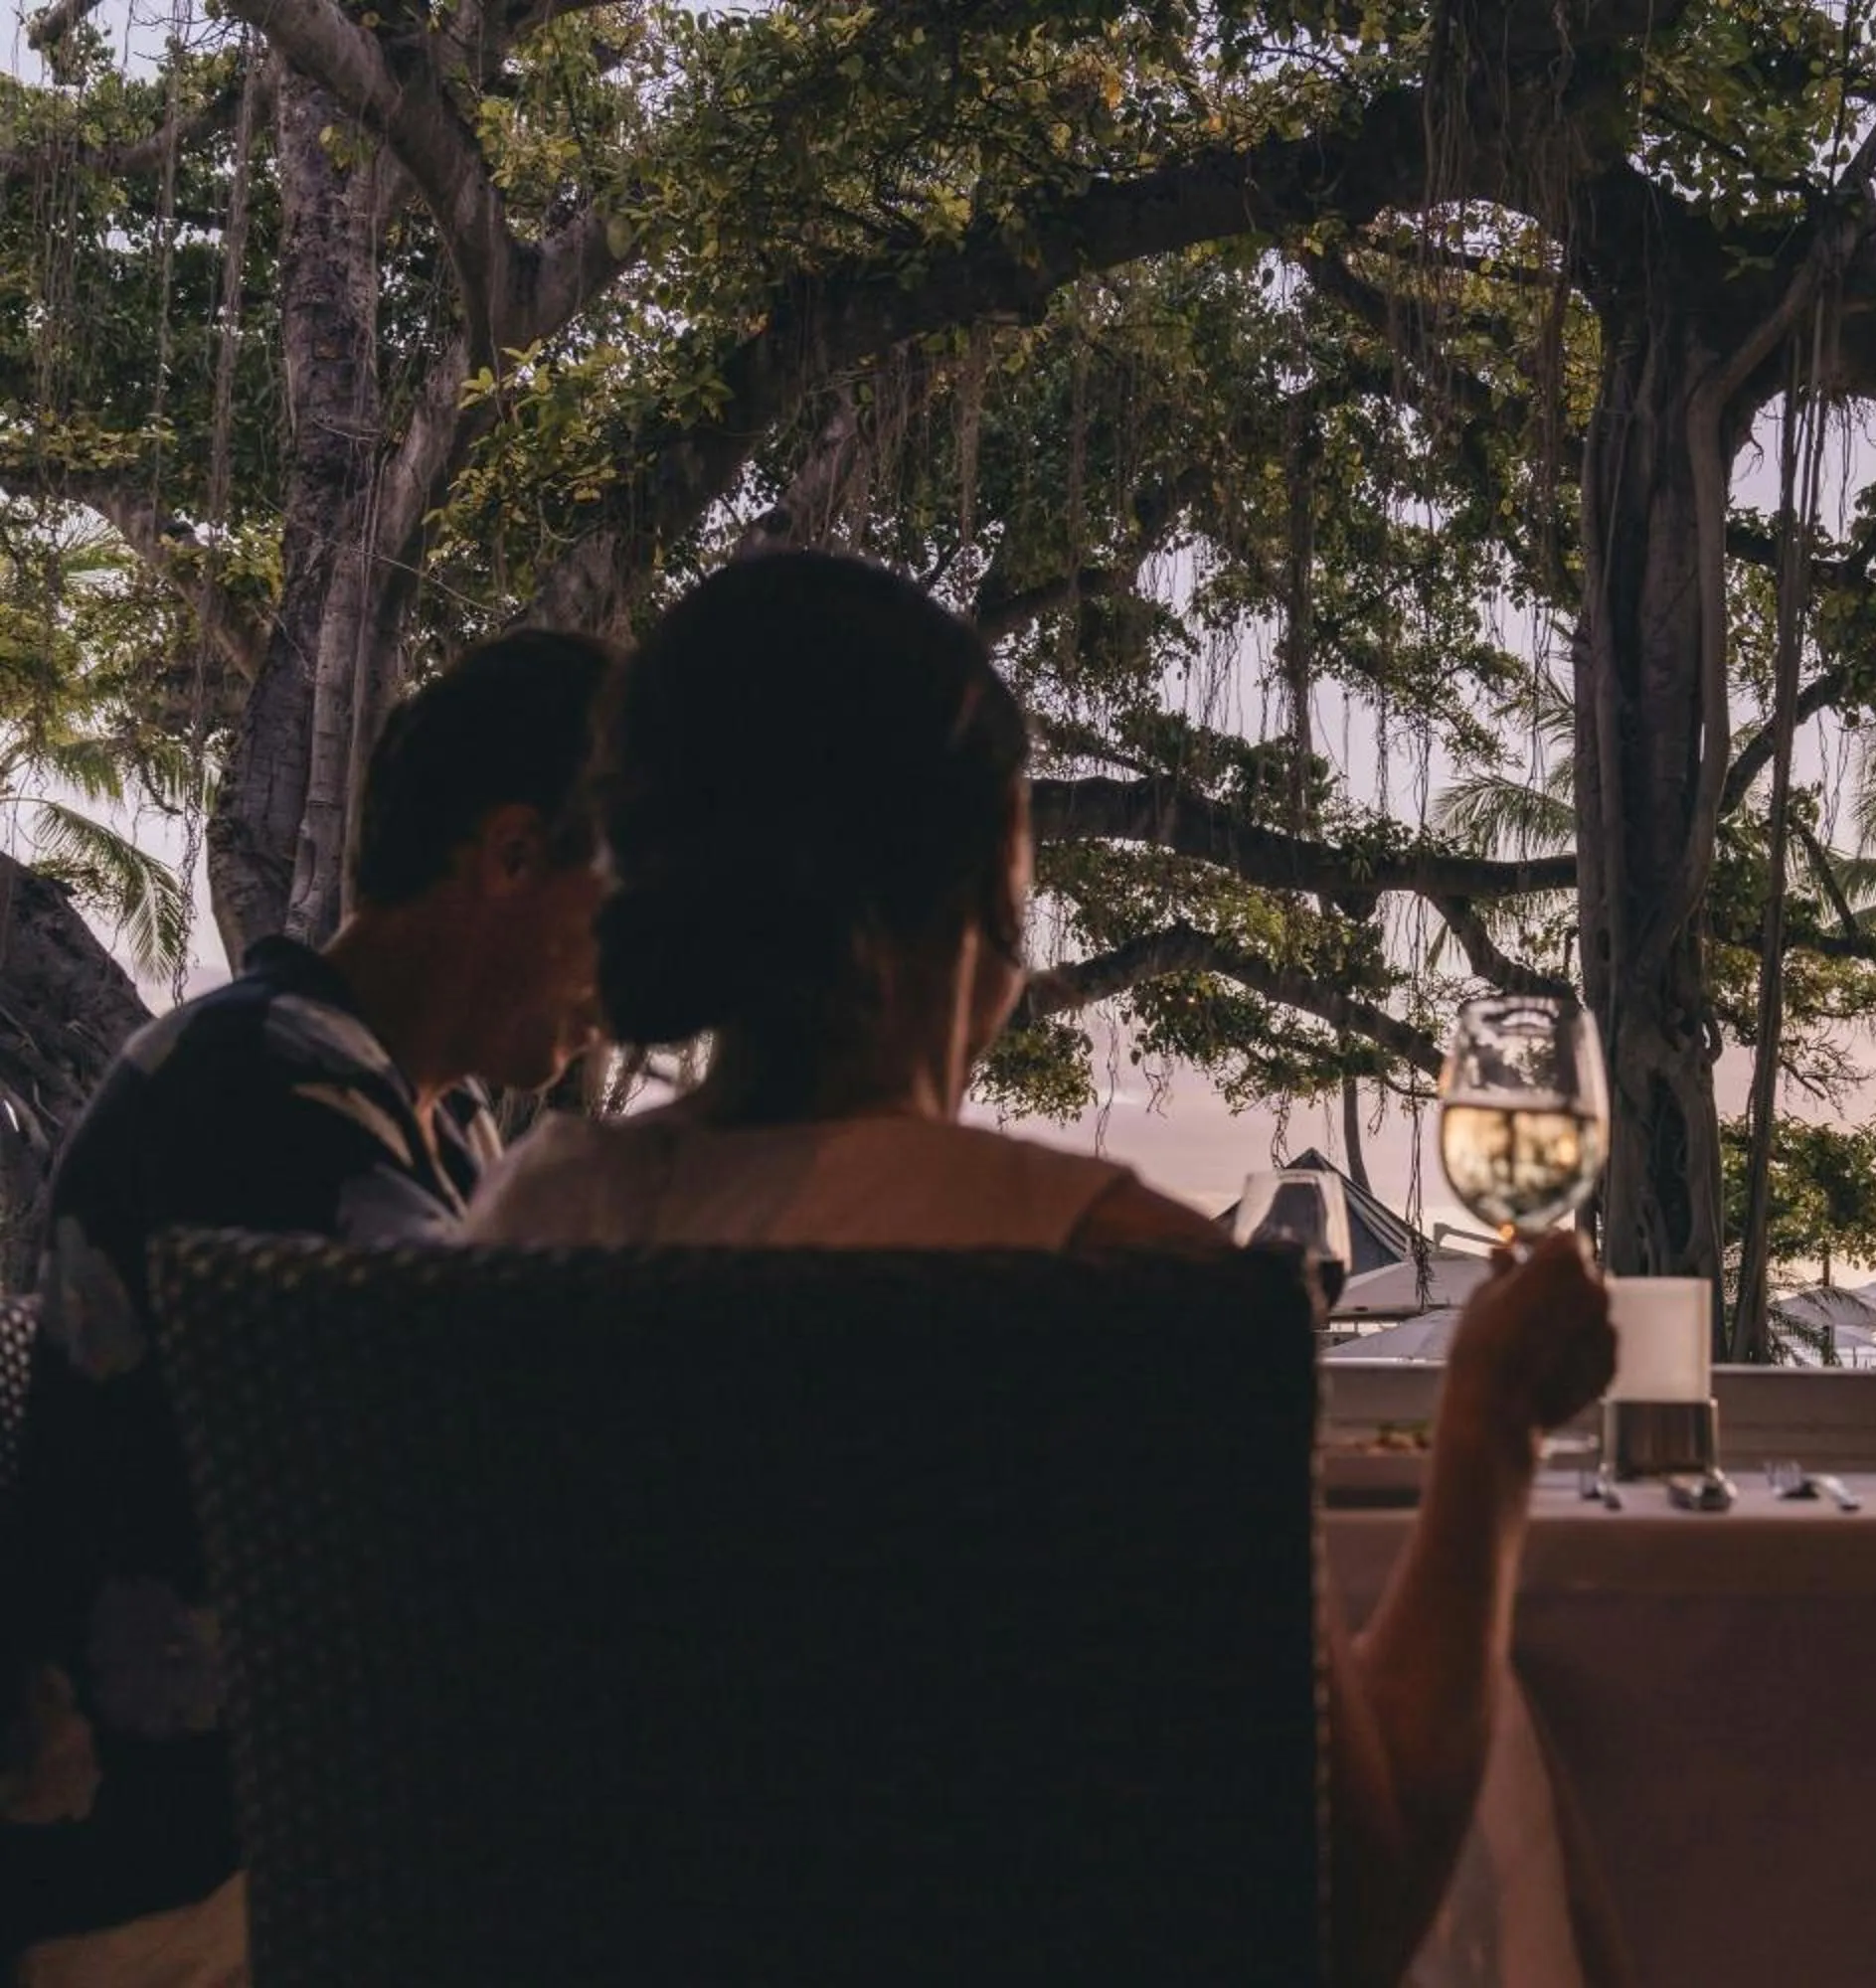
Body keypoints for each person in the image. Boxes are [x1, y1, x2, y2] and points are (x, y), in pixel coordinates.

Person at [465, 553, 1615, 1985]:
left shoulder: (519, 1235)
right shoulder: (1127, 1286)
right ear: (978, 890)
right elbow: (1343, 1915)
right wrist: (1494, 1421)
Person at [2, 631, 613, 1984]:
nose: (619, 993)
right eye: (613, 916)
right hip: (185, 1885)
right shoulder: (267, 1090)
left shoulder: (416, 1116)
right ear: (511, 858)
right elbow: (526, 1486)